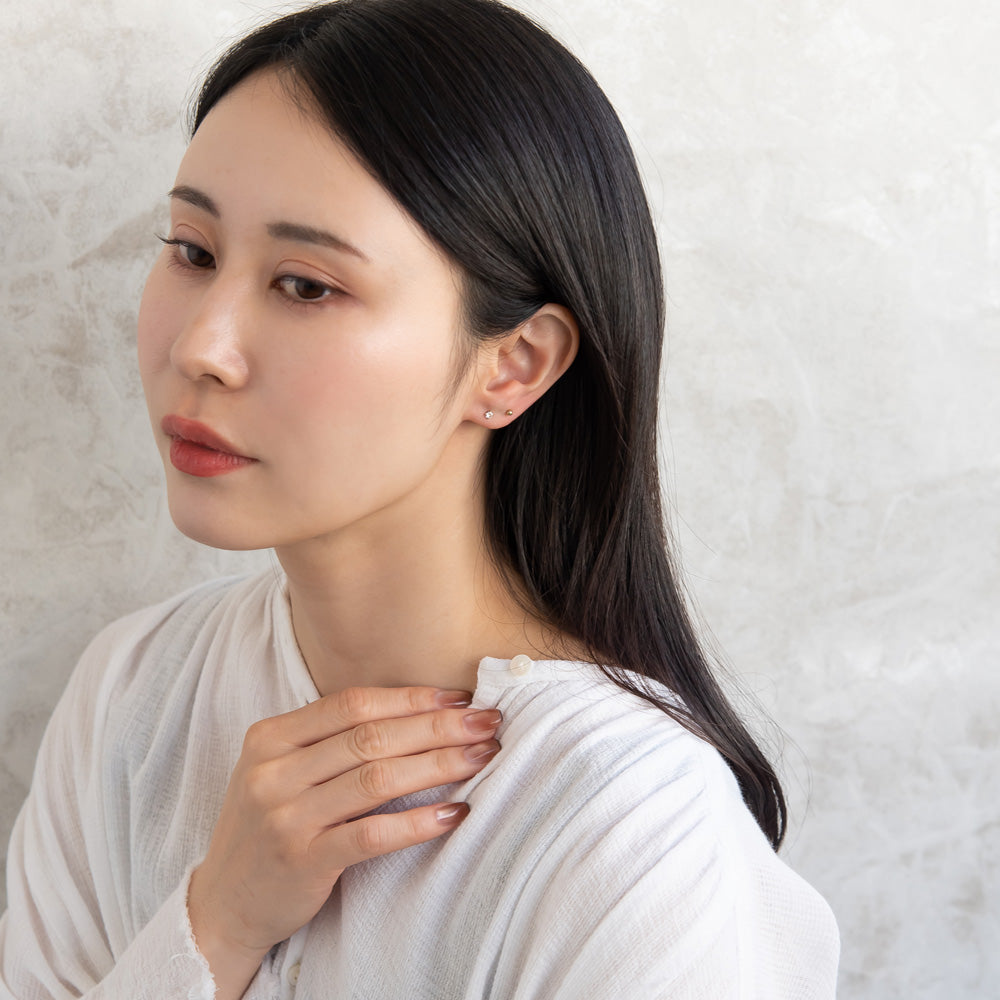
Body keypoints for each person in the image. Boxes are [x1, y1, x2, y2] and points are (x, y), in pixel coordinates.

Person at [0, 0, 840, 997]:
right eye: (193, 251)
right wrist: (215, 924)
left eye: (306, 285)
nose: (201, 348)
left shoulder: (636, 833)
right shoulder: (133, 692)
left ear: (514, 364)